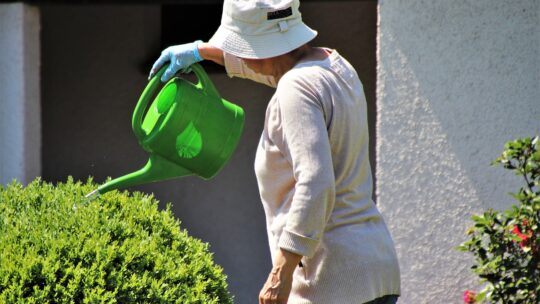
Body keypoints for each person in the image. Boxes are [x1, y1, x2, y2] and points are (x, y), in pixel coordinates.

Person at [149, 1, 401, 303]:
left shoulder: (294, 89)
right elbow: (274, 70)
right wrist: (201, 51)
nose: (241, 53)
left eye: (242, 45)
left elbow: (316, 183)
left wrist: (280, 275)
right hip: (376, 266)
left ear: (262, 45)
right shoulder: (333, 64)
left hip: (330, 281)